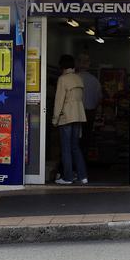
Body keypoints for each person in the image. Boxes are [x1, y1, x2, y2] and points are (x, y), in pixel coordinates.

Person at [52, 55, 88, 185]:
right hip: (79, 115)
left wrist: (55, 119)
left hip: (66, 116)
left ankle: (67, 177)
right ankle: (83, 176)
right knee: (75, 147)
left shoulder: (63, 79)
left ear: (62, 66)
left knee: (66, 148)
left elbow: (59, 100)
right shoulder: (79, 78)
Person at [76, 53, 102, 157]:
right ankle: (83, 162)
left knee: (75, 140)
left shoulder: (74, 78)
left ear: (78, 63)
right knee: (86, 139)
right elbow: (99, 98)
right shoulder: (95, 81)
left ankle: (76, 166)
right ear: (89, 64)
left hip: (76, 113)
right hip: (89, 113)